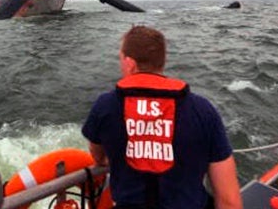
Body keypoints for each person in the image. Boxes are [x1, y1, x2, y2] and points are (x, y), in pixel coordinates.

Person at [82, 26, 242, 209]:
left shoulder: (105, 106)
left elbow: (97, 154)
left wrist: (107, 159)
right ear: (162, 62)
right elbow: (229, 200)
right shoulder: (203, 110)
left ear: (130, 63)